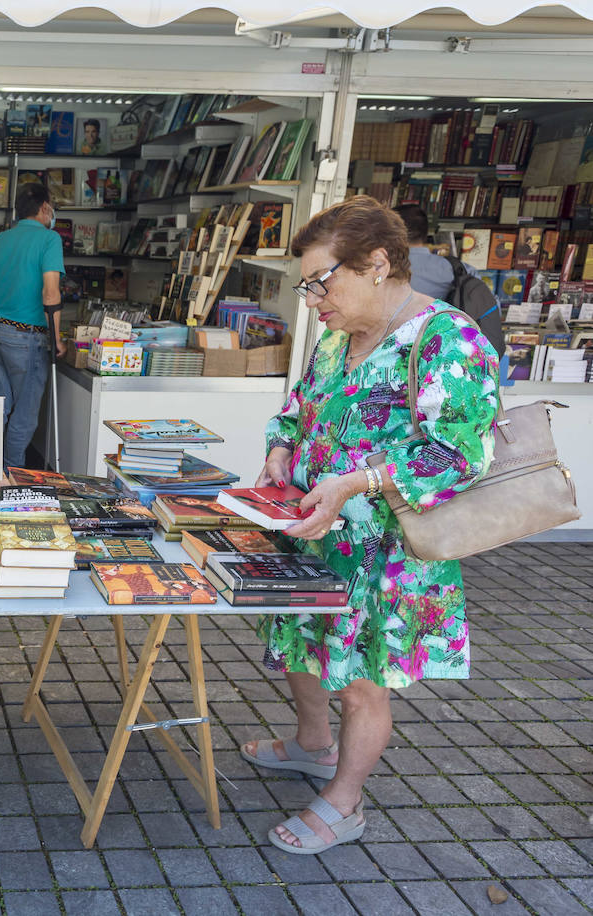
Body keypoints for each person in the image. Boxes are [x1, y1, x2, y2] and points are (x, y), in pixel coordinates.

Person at [243, 196, 499, 855]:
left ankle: (344, 800)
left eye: (319, 281)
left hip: (387, 556)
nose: (310, 299)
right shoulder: (337, 339)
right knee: (301, 647)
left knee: (362, 681)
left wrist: (359, 482)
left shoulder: (450, 340)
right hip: (314, 536)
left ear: (376, 265)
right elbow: (296, 411)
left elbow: (460, 454)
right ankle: (311, 746)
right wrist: (278, 450)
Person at [0, 182, 66, 470]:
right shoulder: (50, 240)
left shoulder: (1, 240)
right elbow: (50, 294)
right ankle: (11, 477)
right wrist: (58, 339)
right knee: (24, 416)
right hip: (27, 337)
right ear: (45, 208)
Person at [395, 204, 476, 301]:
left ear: (393, 233)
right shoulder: (460, 270)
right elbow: (490, 305)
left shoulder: (383, 269)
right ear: (426, 232)